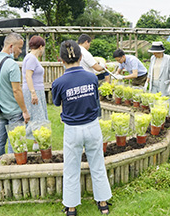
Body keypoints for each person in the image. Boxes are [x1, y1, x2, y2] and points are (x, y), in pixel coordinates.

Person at [52, 40, 112, 215]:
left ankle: (71, 207)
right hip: (92, 127)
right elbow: (94, 99)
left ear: (61, 60)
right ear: (80, 56)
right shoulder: (92, 77)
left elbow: (57, 103)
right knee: (98, 164)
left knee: (71, 168)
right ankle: (103, 204)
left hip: (72, 130)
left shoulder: (59, 83)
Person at [0, 33, 30, 159]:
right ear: (11, 46)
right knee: (14, 141)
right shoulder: (12, 65)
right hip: (14, 111)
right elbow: (17, 91)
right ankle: (12, 166)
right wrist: (25, 111)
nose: (20, 51)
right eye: (19, 48)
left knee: (0, 139)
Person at [22, 36, 48, 141]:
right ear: (41, 46)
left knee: (38, 116)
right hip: (33, 90)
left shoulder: (32, 58)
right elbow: (28, 76)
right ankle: (37, 142)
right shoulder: (31, 58)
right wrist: (33, 93)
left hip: (37, 90)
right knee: (38, 117)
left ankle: (37, 142)